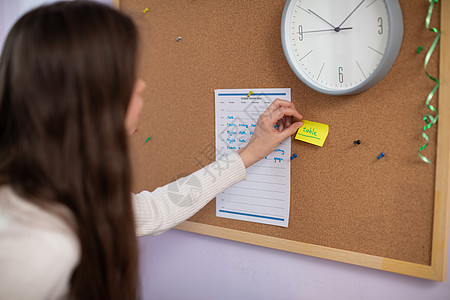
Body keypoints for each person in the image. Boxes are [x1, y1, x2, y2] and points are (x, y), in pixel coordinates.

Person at [0, 1, 303, 299]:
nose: (141, 84)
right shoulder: (37, 249)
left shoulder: (60, 191)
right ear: (84, 98)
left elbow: (157, 209)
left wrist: (250, 152)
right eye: (125, 72)